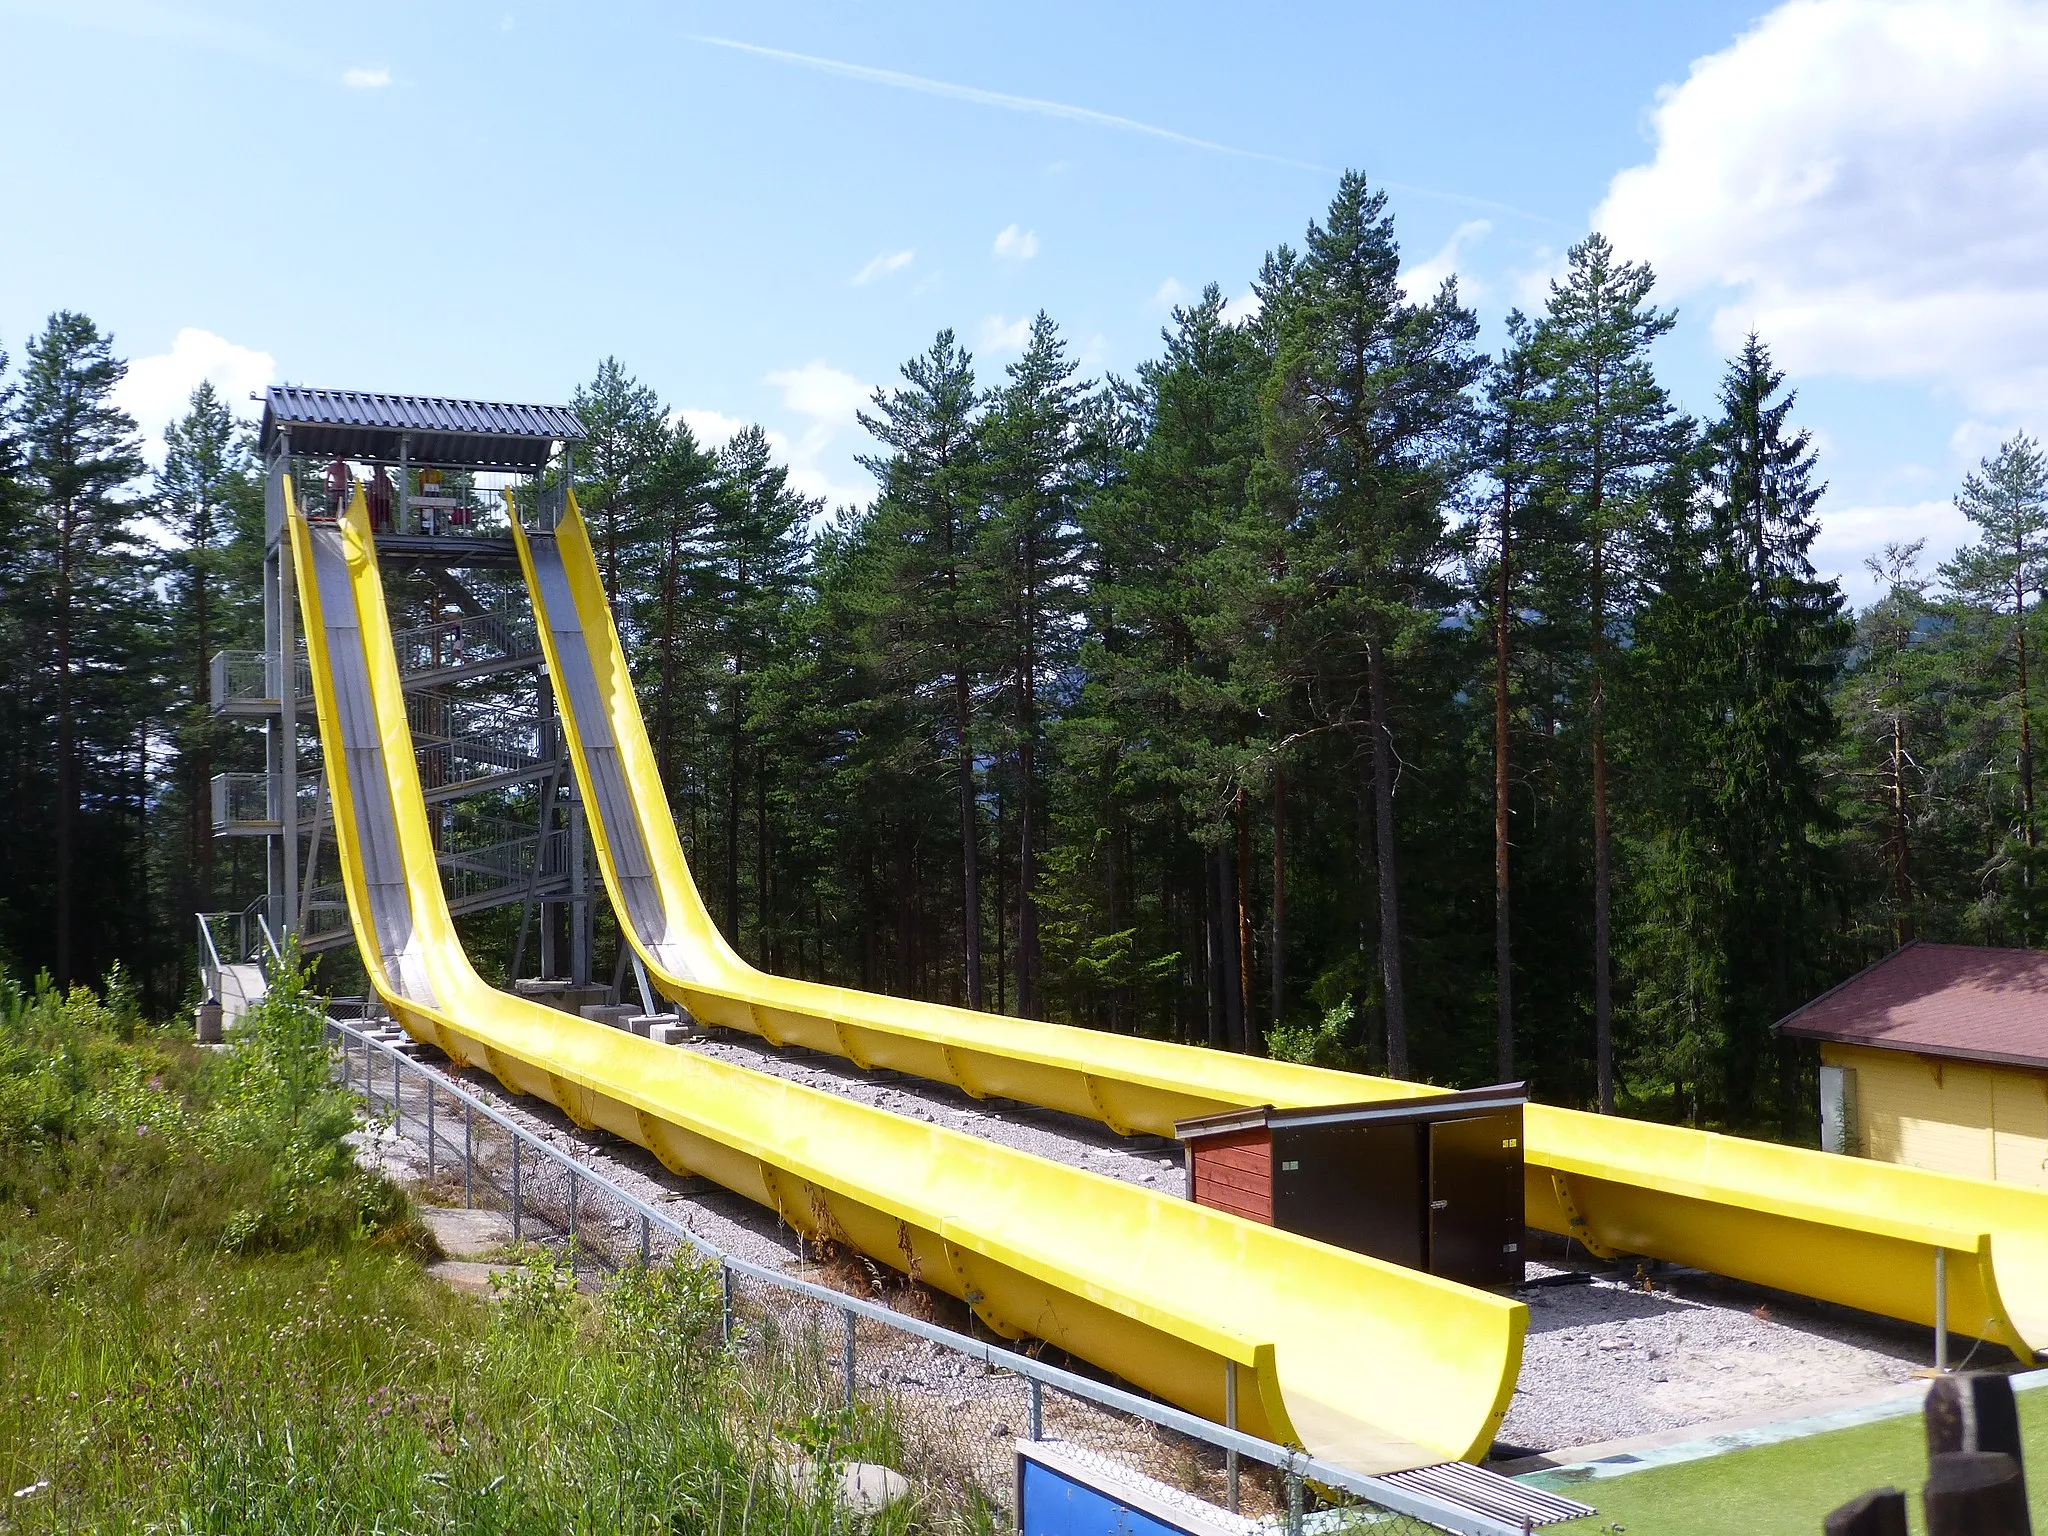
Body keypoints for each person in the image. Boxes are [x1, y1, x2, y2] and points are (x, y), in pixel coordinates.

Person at [366, 464, 395, 533]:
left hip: (385, 500)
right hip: (376, 500)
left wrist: (392, 498)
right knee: (376, 515)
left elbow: (391, 490)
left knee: (385, 516)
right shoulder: (374, 481)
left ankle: (385, 529)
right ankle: (377, 528)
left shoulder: (386, 480)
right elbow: (369, 490)